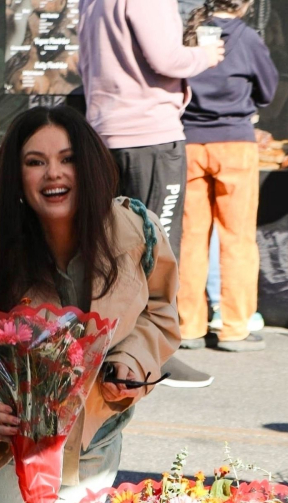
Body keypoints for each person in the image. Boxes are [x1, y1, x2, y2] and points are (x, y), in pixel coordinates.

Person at [0, 105, 180, 503]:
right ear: (16, 178)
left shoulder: (135, 231)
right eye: (35, 161)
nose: (53, 174)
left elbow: (159, 313)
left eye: (67, 158)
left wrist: (132, 362)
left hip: (88, 438)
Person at [78, 0, 224, 388]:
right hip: (151, 135)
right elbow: (168, 58)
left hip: (105, 133)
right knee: (159, 248)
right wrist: (206, 55)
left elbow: (86, 63)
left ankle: (109, 349)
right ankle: (155, 356)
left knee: (111, 246)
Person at [178, 0, 278, 352]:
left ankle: (188, 326)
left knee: (190, 239)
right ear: (247, 4)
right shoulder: (248, 38)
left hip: (190, 144)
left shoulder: (187, 33)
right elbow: (267, 92)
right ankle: (234, 328)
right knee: (237, 239)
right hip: (235, 143)